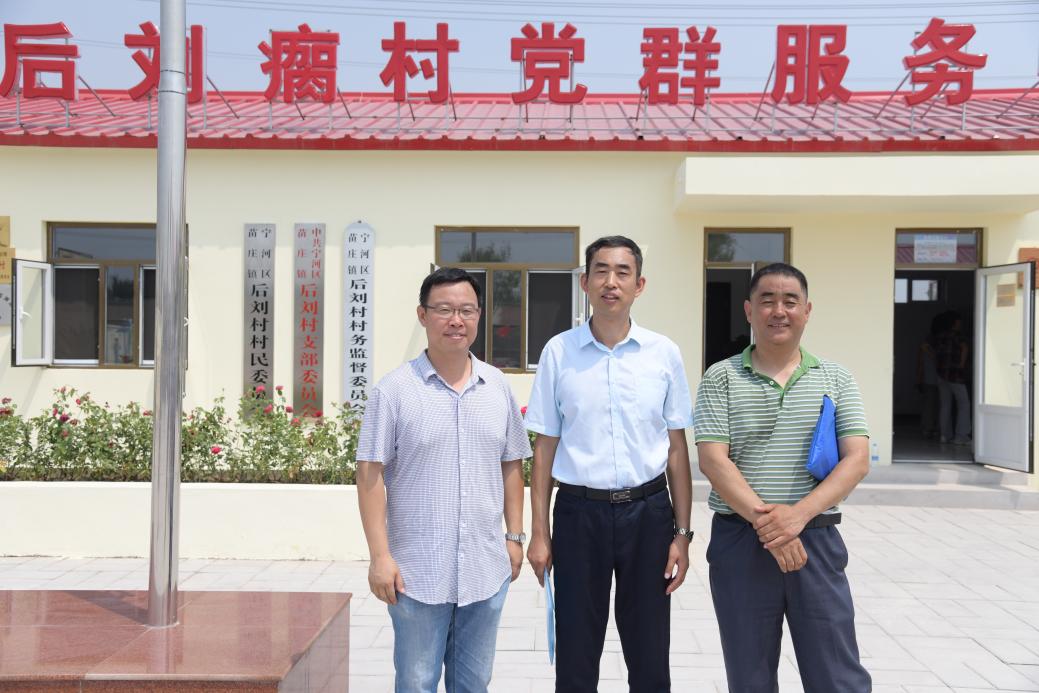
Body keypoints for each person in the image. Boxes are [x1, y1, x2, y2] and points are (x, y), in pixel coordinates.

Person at [525, 235, 694, 693]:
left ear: (640, 284)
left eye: (623, 272)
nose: (611, 282)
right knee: (577, 653)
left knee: (650, 652)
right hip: (579, 515)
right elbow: (544, 448)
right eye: (600, 271)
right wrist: (539, 532)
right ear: (584, 282)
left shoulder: (663, 353)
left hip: (648, 514)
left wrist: (682, 533)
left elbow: (676, 448)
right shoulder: (559, 352)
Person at [694, 262, 872, 693]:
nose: (779, 311)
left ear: (807, 311)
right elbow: (714, 461)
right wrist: (772, 526)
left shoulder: (835, 377)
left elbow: (857, 459)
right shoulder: (720, 377)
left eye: (790, 301)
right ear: (748, 310)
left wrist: (797, 518)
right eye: (767, 300)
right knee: (750, 676)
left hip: (816, 540)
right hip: (741, 542)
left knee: (837, 675)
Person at [356, 267, 532, 693]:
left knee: (474, 684)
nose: (457, 320)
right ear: (423, 315)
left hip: (484, 569)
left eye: (467, 310)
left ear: (479, 316)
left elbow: (512, 463)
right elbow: (369, 474)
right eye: (444, 310)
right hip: (417, 573)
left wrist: (514, 537)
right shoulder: (394, 391)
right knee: (416, 682)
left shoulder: (497, 386)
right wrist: (380, 557)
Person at [934, 310, 971, 445]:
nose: (960, 324)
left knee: (945, 405)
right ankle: (961, 436)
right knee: (964, 404)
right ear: (955, 323)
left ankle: (944, 435)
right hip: (955, 374)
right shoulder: (958, 336)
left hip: (941, 374)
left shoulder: (940, 336)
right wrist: (961, 364)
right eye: (959, 321)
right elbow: (965, 348)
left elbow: (936, 354)